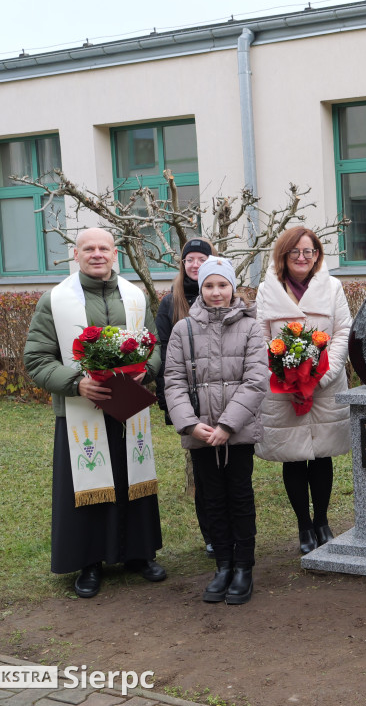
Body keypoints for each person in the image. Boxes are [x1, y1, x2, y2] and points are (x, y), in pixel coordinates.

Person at [23, 227, 165, 599]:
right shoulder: (54, 301)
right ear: (76, 254)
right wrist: (77, 383)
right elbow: (37, 359)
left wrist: (145, 370)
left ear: (115, 254)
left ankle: (139, 553)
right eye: (89, 248)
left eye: (104, 248)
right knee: (88, 485)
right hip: (79, 412)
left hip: (128, 406)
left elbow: (155, 346)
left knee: (130, 478)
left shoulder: (134, 297)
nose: (97, 254)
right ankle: (90, 563)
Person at [164, 256, 268, 604]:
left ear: (232, 288)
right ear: (200, 288)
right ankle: (223, 564)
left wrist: (227, 425)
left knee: (239, 496)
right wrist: (192, 425)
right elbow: (174, 382)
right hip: (201, 434)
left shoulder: (252, 327)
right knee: (212, 500)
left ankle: (243, 567)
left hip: (236, 434)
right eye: (209, 285)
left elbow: (255, 380)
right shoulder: (183, 330)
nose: (216, 291)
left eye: (222, 284)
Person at [255, 226, 352, 554]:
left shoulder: (332, 286)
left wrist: (321, 375)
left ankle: (323, 520)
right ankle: (303, 525)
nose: (302, 258)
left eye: (309, 252)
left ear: (317, 255)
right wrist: (285, 376)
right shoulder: (267, 289)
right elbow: (259, 338)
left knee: (322, 456)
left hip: (324, 385)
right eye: (295, 252)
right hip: (283, 388)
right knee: (293, 457)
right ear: (283, 255)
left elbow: (342, 332)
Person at [155, 237, 214, 556]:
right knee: (202, 473)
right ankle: (211, 535)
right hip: (189, 402)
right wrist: (170, 404)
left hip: (223, 393)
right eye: (189, 259)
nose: (194, 264)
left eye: (200, 259)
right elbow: (163, 355)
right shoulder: (170, 302)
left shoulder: (222, 293)